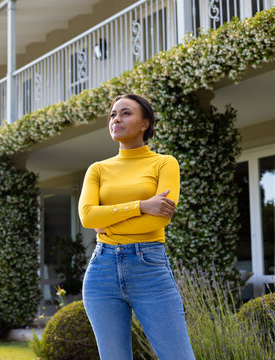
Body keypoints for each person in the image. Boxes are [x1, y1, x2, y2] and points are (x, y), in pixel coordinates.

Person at [78, 94, 195, 360]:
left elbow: (158, 219)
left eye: (126, 113)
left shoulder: (164, 163)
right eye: (113, 115)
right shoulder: (97, 169)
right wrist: (141, 206)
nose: (116, 119)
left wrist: (107, 222)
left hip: (149, 269)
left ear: (145, 124)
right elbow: (87, 217)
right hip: (101, 272)